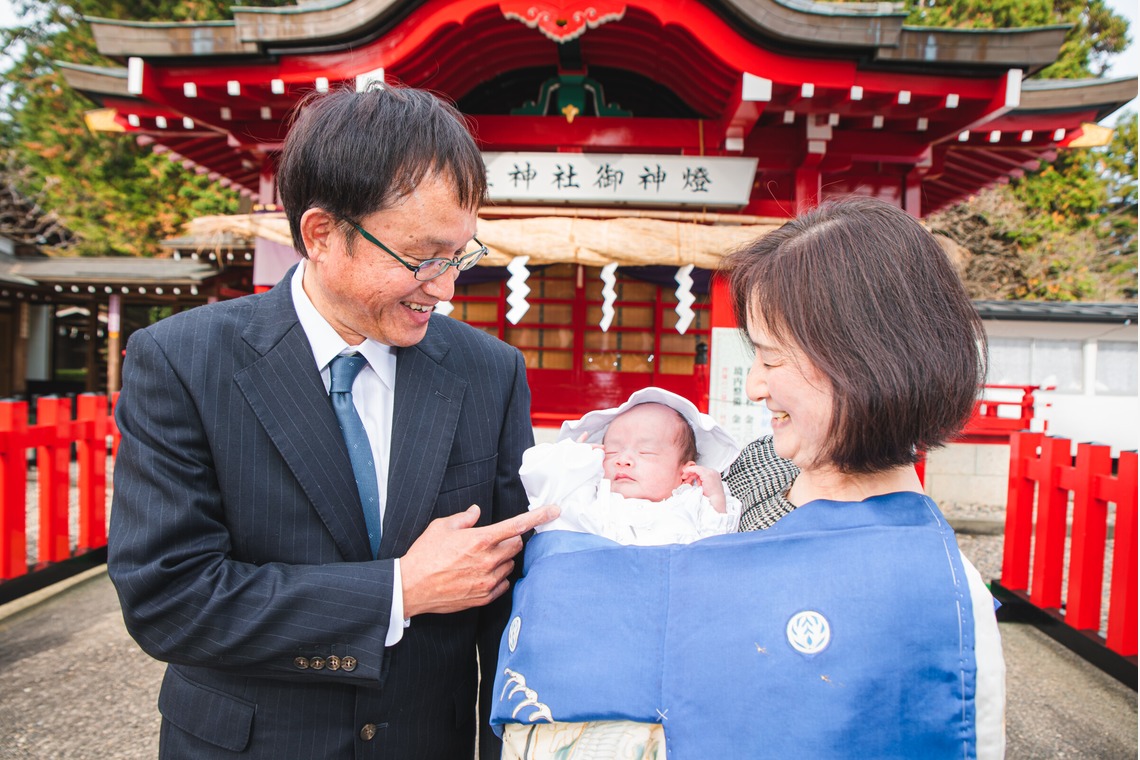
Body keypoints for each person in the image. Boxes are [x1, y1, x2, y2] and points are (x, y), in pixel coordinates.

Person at [107, 84, 556, 760]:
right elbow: (170, 599)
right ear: (321, 235)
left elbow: (508, 607)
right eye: (420, 257)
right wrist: (398, 591)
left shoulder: (489, 373)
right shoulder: (181, 362)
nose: (444, 286)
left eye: (459, 255)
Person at [490, 197, 1004, 759]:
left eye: (773, 358)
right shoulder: (747, 473)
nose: (754, 386)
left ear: (864, 362)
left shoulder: (946, 596)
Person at [521, 387, 742, 545]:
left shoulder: (690, 502)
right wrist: (570, 465)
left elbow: (717, 545)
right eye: (613, 451)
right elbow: (545, 496)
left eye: (646, 452)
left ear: (685, 473)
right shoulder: (593, 498)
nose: (623, 459)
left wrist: (715, 499)